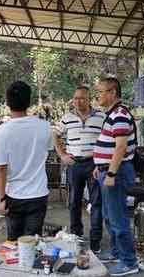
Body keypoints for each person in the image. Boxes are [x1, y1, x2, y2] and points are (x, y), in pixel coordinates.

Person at [93, 77, 144, 276]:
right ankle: (116, 252)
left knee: (118, 219)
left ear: (112, 92)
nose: (98, 96)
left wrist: (111, 172)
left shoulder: (120, 114)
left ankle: (129, 262)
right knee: (109, 215)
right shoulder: (113, 114)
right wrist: (100, 166)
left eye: (101, 92)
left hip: (117, 172)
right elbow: (110, 145)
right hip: (107, 171)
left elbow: (121, 147)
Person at [0, 81, 53, 241]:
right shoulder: (45, 127)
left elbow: (0, 169)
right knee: (33, 242)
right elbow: (47, 151)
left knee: (13, 243)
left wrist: (1, 199)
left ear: (7, 103)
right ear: (29, 102)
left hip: (14, 196)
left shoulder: (1, 132)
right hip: (38, 194)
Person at [53, 86, 105, 253]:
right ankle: (76, 236)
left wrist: (102, 162)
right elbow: (54, 134)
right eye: (75, 98)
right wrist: (62, 154)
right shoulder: (67, 118)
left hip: (94, 165)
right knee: (74, 202)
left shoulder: (101, 117)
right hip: (74, 164)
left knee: (96, 203)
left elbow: (108, 140)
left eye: (82, 98)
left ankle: (96, 240)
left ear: (90, 99)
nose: (78, 101)